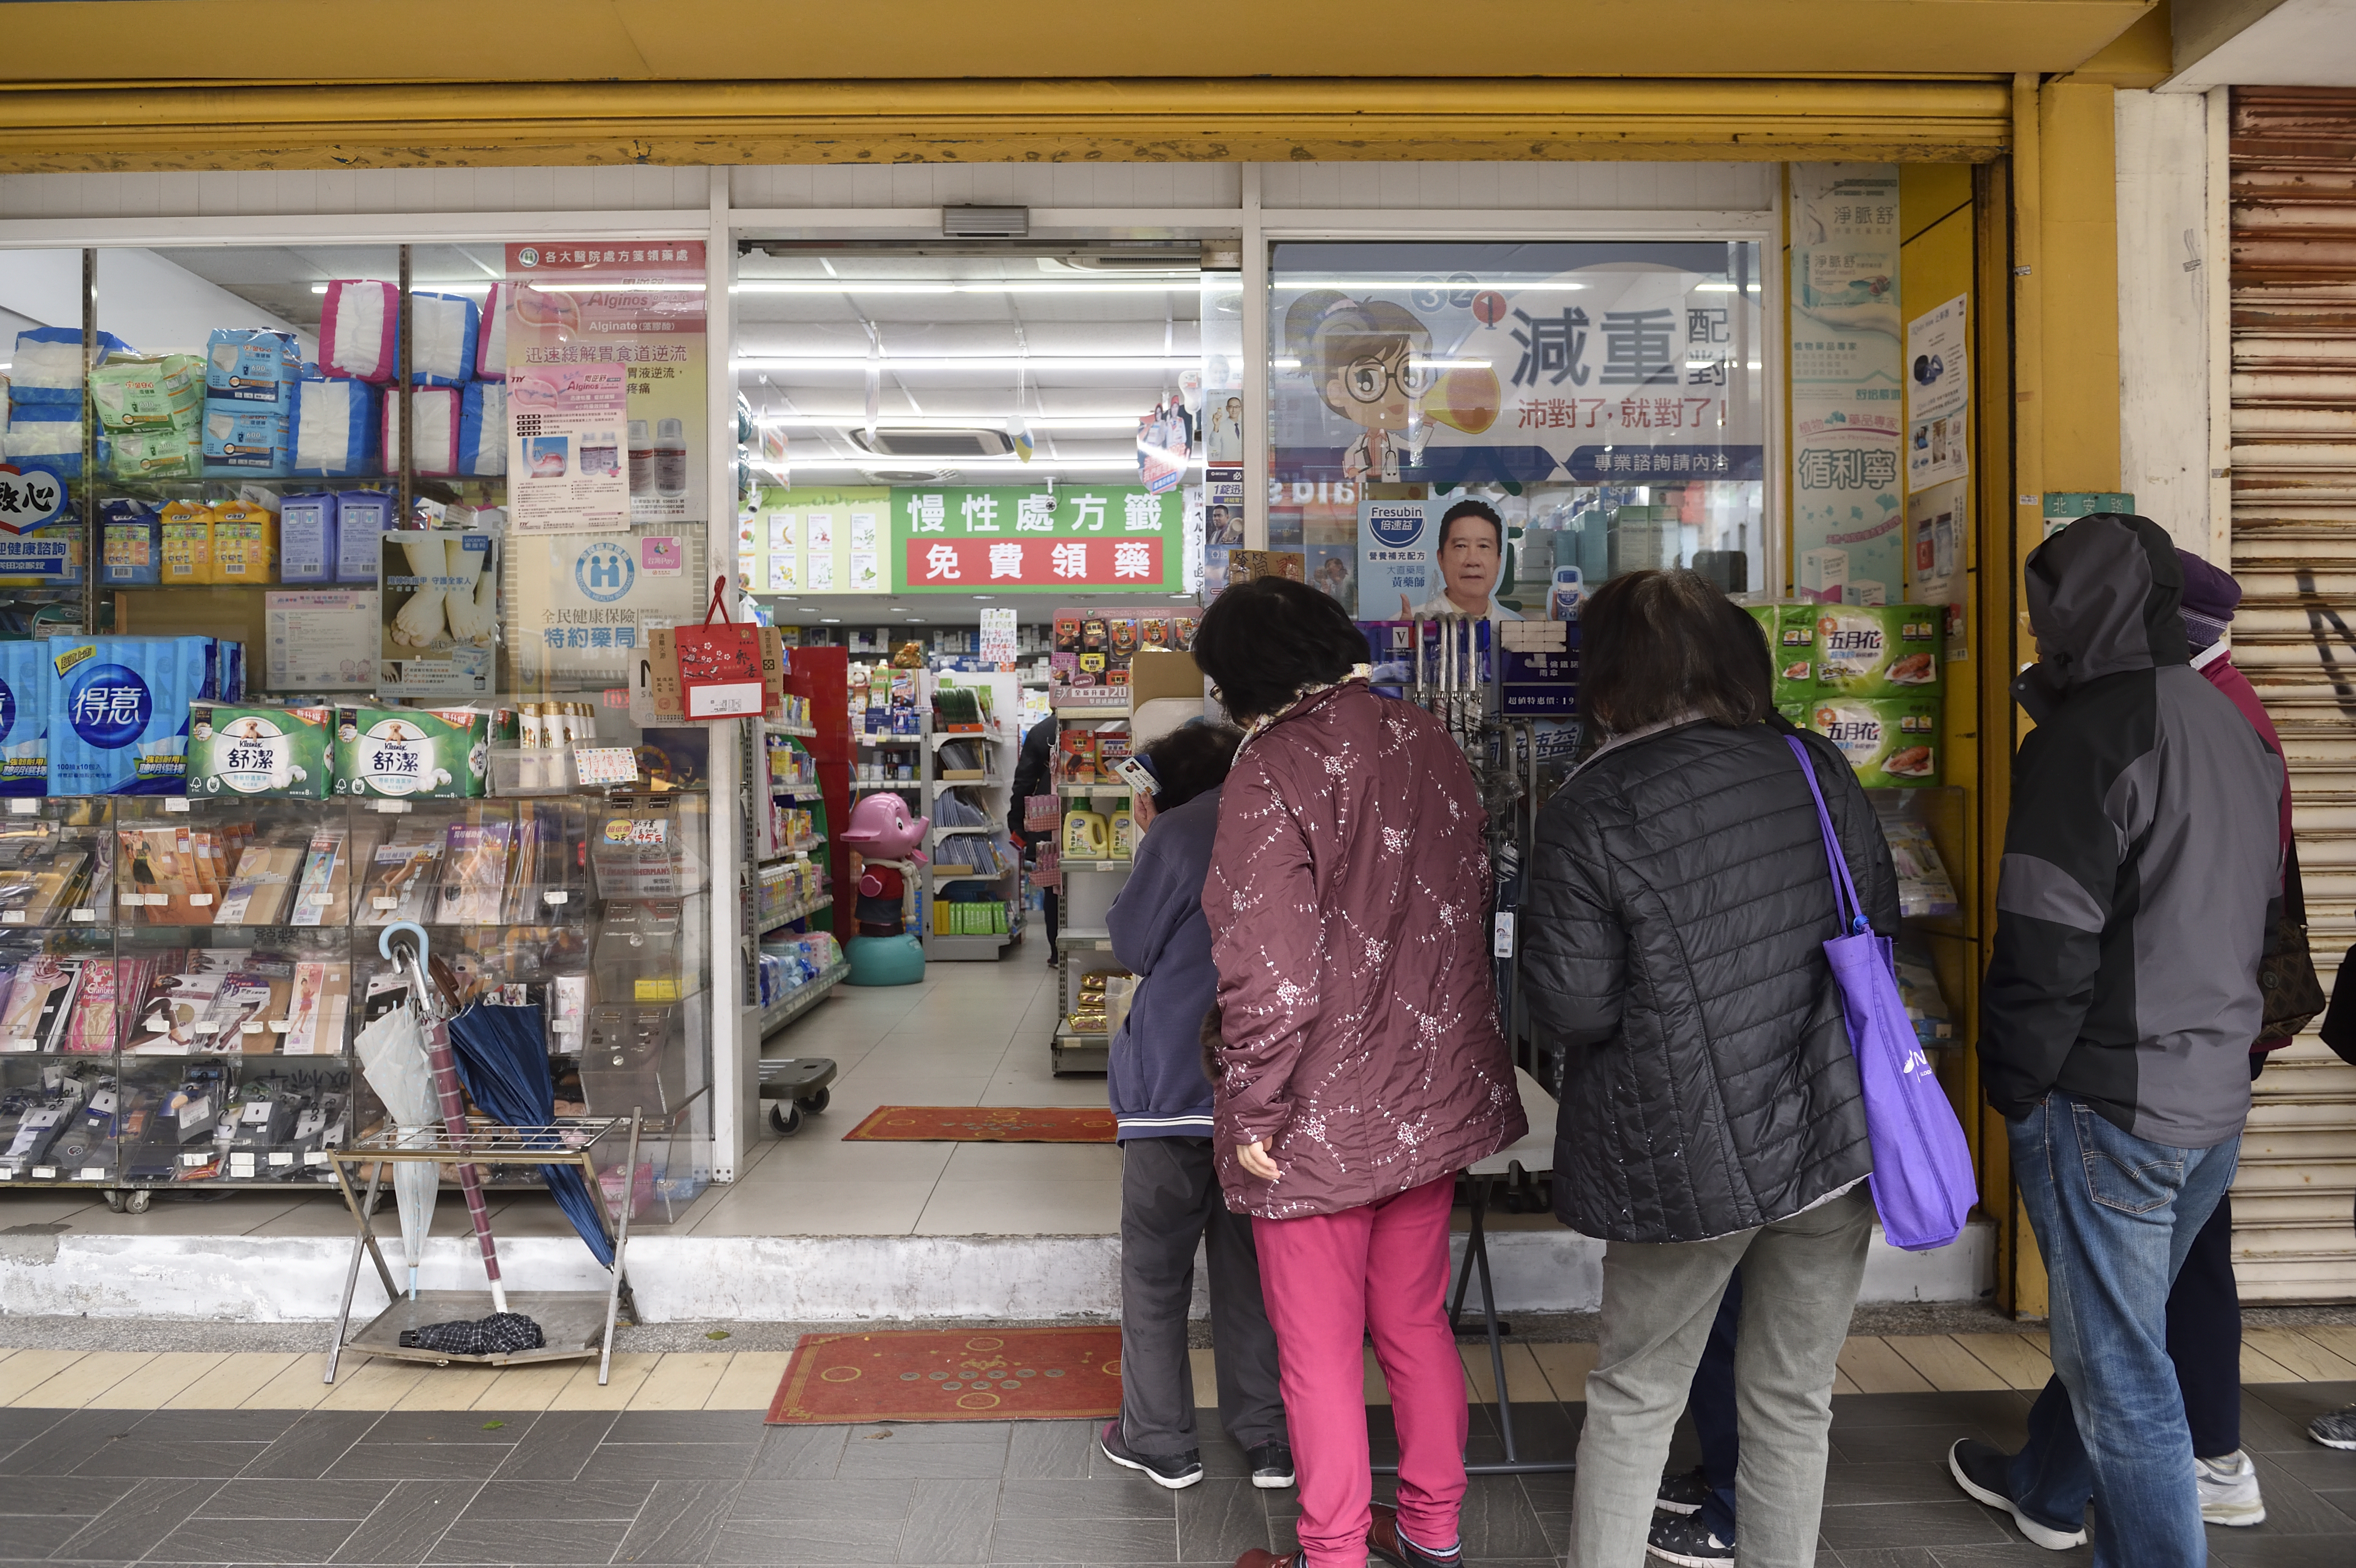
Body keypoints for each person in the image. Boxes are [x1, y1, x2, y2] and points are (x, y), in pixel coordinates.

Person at [1520, 568, 1897, 1568]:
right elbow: (1877, 927)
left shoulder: (1591, 803)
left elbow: (1572, 1006)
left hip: (1676, 1150)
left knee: (1636, 1395)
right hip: (1829, 1131)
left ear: (1607, 678)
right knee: (1792, 1398)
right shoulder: (1814, 764)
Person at [1951, 513, 2283, 1568]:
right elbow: (2267, 919)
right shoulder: (2233, 722)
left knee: (2126, 1379)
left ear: (2066, 615)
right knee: (2119, 1342)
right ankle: (2050, 1491)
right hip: (2211, 1096)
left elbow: (2043, 945)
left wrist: (2013, 1085)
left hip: (2106, 1104)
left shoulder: (2084, 739)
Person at [1194, 577, 1525, 1568]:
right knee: (1415, 1324)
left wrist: (1252, 1105)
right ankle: (1430, 1528)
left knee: (1320, 1353)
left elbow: (1271, 969)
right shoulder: (1428, 739)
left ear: (1244, 678)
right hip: (1428, 1093)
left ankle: (1333, 1551)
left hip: (1316, 1115)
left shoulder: (1272, 767)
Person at [1099, 722, 1294, 1494]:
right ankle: (1268, 1438)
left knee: (1155, 1270)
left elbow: (1131, 944)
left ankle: (1160, 1439)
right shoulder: (1281, 820)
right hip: (1264, 1091)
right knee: (1253, 1273)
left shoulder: (1179, 832)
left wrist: (1151, 836)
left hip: (1173, 1091)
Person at [1285, 289, 1432, 483]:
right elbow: (1348, 463)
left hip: (1392, 490)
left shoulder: (1392, 440)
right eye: (1368, 381)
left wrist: (1428, 424)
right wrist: (1352, 471)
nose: (1394, 395)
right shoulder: (1352, 444)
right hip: (1358, 489)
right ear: (1336, 391)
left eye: (1409, 377)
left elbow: (1415, 447)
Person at [1402, 499, 1523, 621]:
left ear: (1498, 562)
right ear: (1441, 558)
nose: (1473, 561)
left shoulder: (1516, 629)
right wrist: (1407, 633)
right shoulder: (1408, 623)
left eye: (1483, 546)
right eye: (1461, 546)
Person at [1009, 714, 1059, 956]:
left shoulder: (1042, 732)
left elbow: (1024, 783)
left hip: (1048, 822)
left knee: (1052, 888)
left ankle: (1057, 952)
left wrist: (1017, 824)